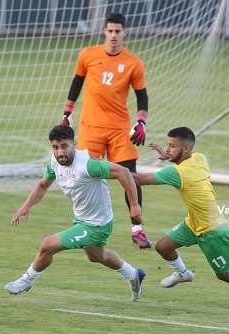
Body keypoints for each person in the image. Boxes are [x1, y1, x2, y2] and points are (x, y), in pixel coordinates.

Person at [132, 127, 229, 311]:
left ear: (186, 149)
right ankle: (182, 274)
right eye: (167, 145)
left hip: (213, 230)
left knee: (224, 275)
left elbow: (138, 179)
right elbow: (201, 158)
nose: (167, 149)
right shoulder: (200, 158)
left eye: (172, 146)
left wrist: (106, 168)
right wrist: (171, 157)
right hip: (193, 223)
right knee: (163, 247)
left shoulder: (178, 173)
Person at [4, 125, 146, 302]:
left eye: (64, 146)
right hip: (82, 220)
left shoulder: (88, 165)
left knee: (47, 245)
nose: (59, 152)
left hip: (97, 225)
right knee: (97, 256)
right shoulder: (55, 162)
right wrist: (26, 205)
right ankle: (134, 275)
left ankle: (26, 280)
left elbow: (124, 172)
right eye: (55, 147)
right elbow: (42, 185)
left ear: (74, 145)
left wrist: (134, 205)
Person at [60, 12, 151, 249]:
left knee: (130, 175)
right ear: (104, 31)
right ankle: (87, 224)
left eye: (117, 31)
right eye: (110, 31)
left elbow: (142, 96)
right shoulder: (88, 55)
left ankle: (137, 229)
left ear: (125, 33)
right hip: (90, 127)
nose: (113, 35)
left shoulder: (133, 62)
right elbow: (76, 83)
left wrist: (141, 122)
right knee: (87, 176)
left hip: (120, 128)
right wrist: (67, 114)